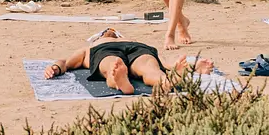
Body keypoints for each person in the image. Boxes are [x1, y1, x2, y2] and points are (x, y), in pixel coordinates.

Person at [44, 28, 214, 94]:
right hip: (109, 50)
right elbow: (65, 62)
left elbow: (165, 62)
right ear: (98, 36)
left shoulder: (94, 45)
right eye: (106, 31)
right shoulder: (90, 47)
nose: (109, 31)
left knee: (148, 66)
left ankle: (166, 80)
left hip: (135, 48)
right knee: (115, 65)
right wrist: (54, 68)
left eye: (112, 31)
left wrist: (192, 66)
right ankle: (121, 80)